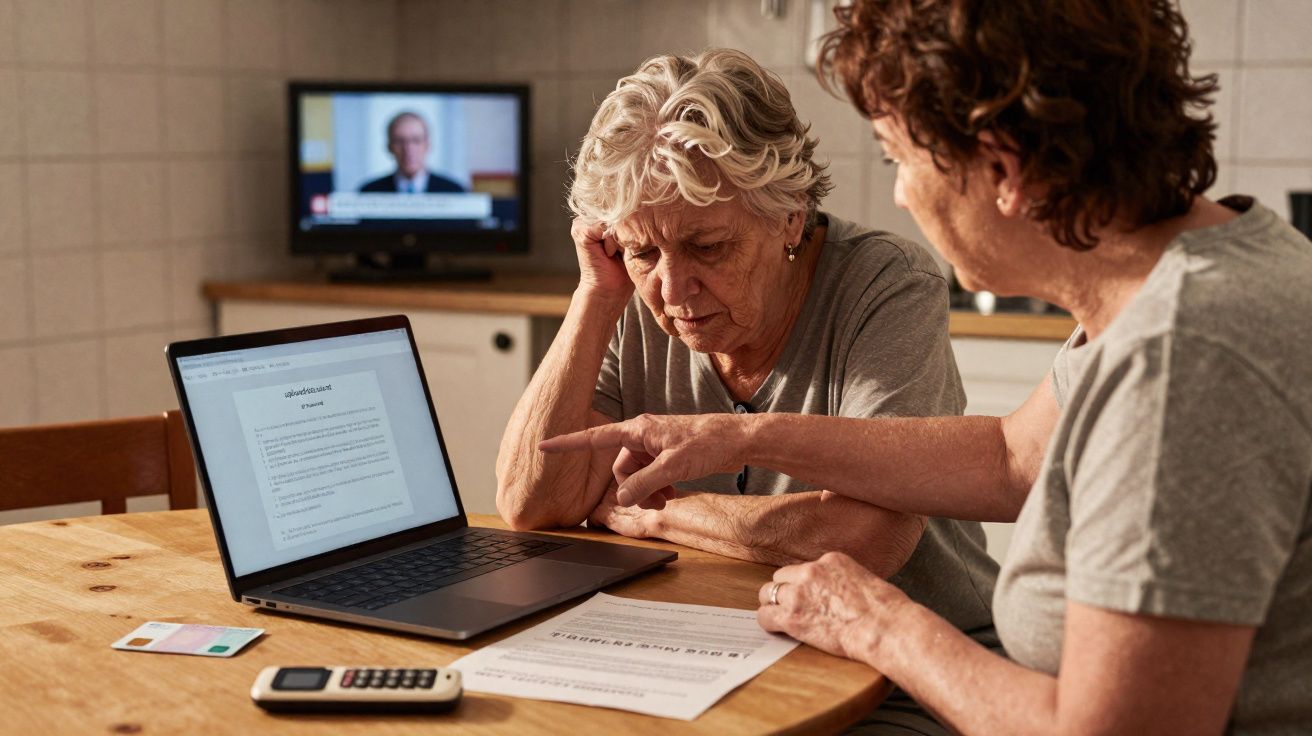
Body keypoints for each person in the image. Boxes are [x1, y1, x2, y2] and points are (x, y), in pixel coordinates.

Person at [542, 1, 1312, 733]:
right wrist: (742, 437)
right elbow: (1008, 459)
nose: (902, 195)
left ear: (1002, 169)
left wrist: (877, 624)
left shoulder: (1180, 359)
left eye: (899, 158)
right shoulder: (1196, 274)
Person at [498, 49, 999, 733]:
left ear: (790, 215)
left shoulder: (886, 285)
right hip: (717, 658)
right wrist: (596, 293)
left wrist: (657, 516)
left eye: (708, 247)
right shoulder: (634, 297)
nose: (673, 291)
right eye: (642, 252)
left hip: (916, 675)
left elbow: (865, 540)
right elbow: (532, 502)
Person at [359, 112, 464, 193]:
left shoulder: (455, 192)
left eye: (416, 141)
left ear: (427, 145)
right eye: (400, 141)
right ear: (389, 147)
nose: (408, 149)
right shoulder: (368, 193)